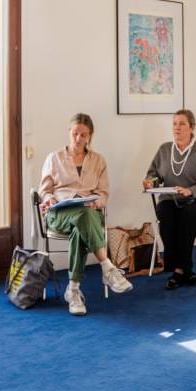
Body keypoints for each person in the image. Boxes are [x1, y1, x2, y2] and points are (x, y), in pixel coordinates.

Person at [39, 113, 132, 316]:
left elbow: (103, 193)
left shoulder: (99, 160)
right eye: (75, 133)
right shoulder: (54, 158)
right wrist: (49, 198)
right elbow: (44, 190)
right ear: (69, 132)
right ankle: (107, 267)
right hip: (59, 214)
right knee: (83, 218)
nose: (78, 139)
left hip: (87, 213)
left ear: (90, 136)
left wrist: (96, 201)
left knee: (81, 224)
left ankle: (73, 290)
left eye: (83, 135)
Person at [143, 109, 196, 289]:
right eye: (174, 123)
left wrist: (190, 190)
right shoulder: (164, 149)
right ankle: (184, 269)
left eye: (182, 123)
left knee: (187, 218)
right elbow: (153, 175)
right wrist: (150, 183)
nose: (177, 127)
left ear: (192, 127)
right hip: (170, 198)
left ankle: (179, 271)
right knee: (166, 217)